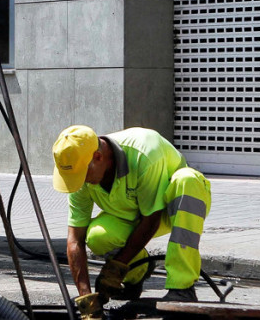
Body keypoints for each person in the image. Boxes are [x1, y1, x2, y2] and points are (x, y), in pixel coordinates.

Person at [52, 125, 212, 317]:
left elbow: (151, 220)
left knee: (187, 180)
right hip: (130, 215)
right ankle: (137, 272)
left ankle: (182, 288)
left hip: (172, 210)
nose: (80, 182)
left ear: (98, 157)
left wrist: (116, 267)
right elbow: (75, 240)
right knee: (97, 236)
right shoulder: (81, 167)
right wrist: (87, 300)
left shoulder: (144, 152)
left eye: (82, 176)